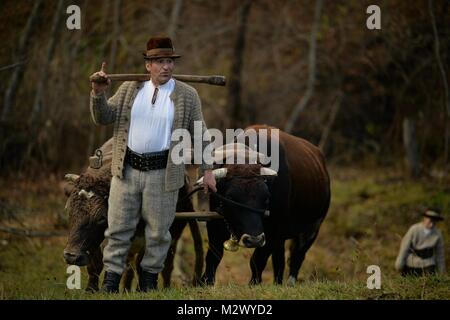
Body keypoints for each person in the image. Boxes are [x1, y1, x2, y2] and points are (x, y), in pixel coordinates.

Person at [89, 36, 217, 293]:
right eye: (159, 61)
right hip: (126, 171)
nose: (166, 66)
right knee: (117, 229)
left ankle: (148, 283)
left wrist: (208, 170)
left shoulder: (187, 95)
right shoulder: (129, 89)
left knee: (159, 234)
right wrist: (98, 93)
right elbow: (103, 117)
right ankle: (110, 282)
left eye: (169, 61)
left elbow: (200, 133)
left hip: (163, 173)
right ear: (148, 65)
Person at [395, 209, 445, 276]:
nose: (432, 224)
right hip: (412, 262)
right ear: (425, 219)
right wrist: (399, 262)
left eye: (434, 222)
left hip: (428, 263)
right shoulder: (414, 229)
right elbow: (405, 247)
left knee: (429, 283)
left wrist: (441, 271)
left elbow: (440, 254)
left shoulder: (438, 234)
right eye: (430, 221)